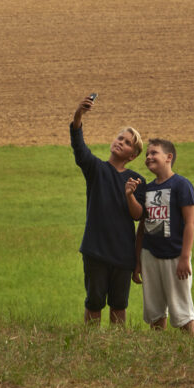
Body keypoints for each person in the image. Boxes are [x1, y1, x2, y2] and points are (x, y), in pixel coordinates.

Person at [70, 94, 146, 326]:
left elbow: (138, 216)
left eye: (127, 142)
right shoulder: (96, 169)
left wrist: (130, 195)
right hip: (95, 250)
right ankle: (89, 347)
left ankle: (115, 350)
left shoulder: (137, 180)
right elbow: (80, 149)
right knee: (93, 303)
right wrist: (78, 116)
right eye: (119, 138)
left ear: (132, 155)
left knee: (119, 306)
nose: (120, 142)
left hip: (123, 255)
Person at [127, 138, 194, 335]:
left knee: (182, 310)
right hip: (150, 255)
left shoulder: (181, 185)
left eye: (154, 153)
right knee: (155, 310)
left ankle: (192, 352)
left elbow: (190, 222)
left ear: (169, 157)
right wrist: (138, 260)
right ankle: (159, 352)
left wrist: (185, 257)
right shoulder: (148, 189)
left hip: (175, 256)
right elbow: (142, 226)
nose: (148, 157)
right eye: (147, 154)